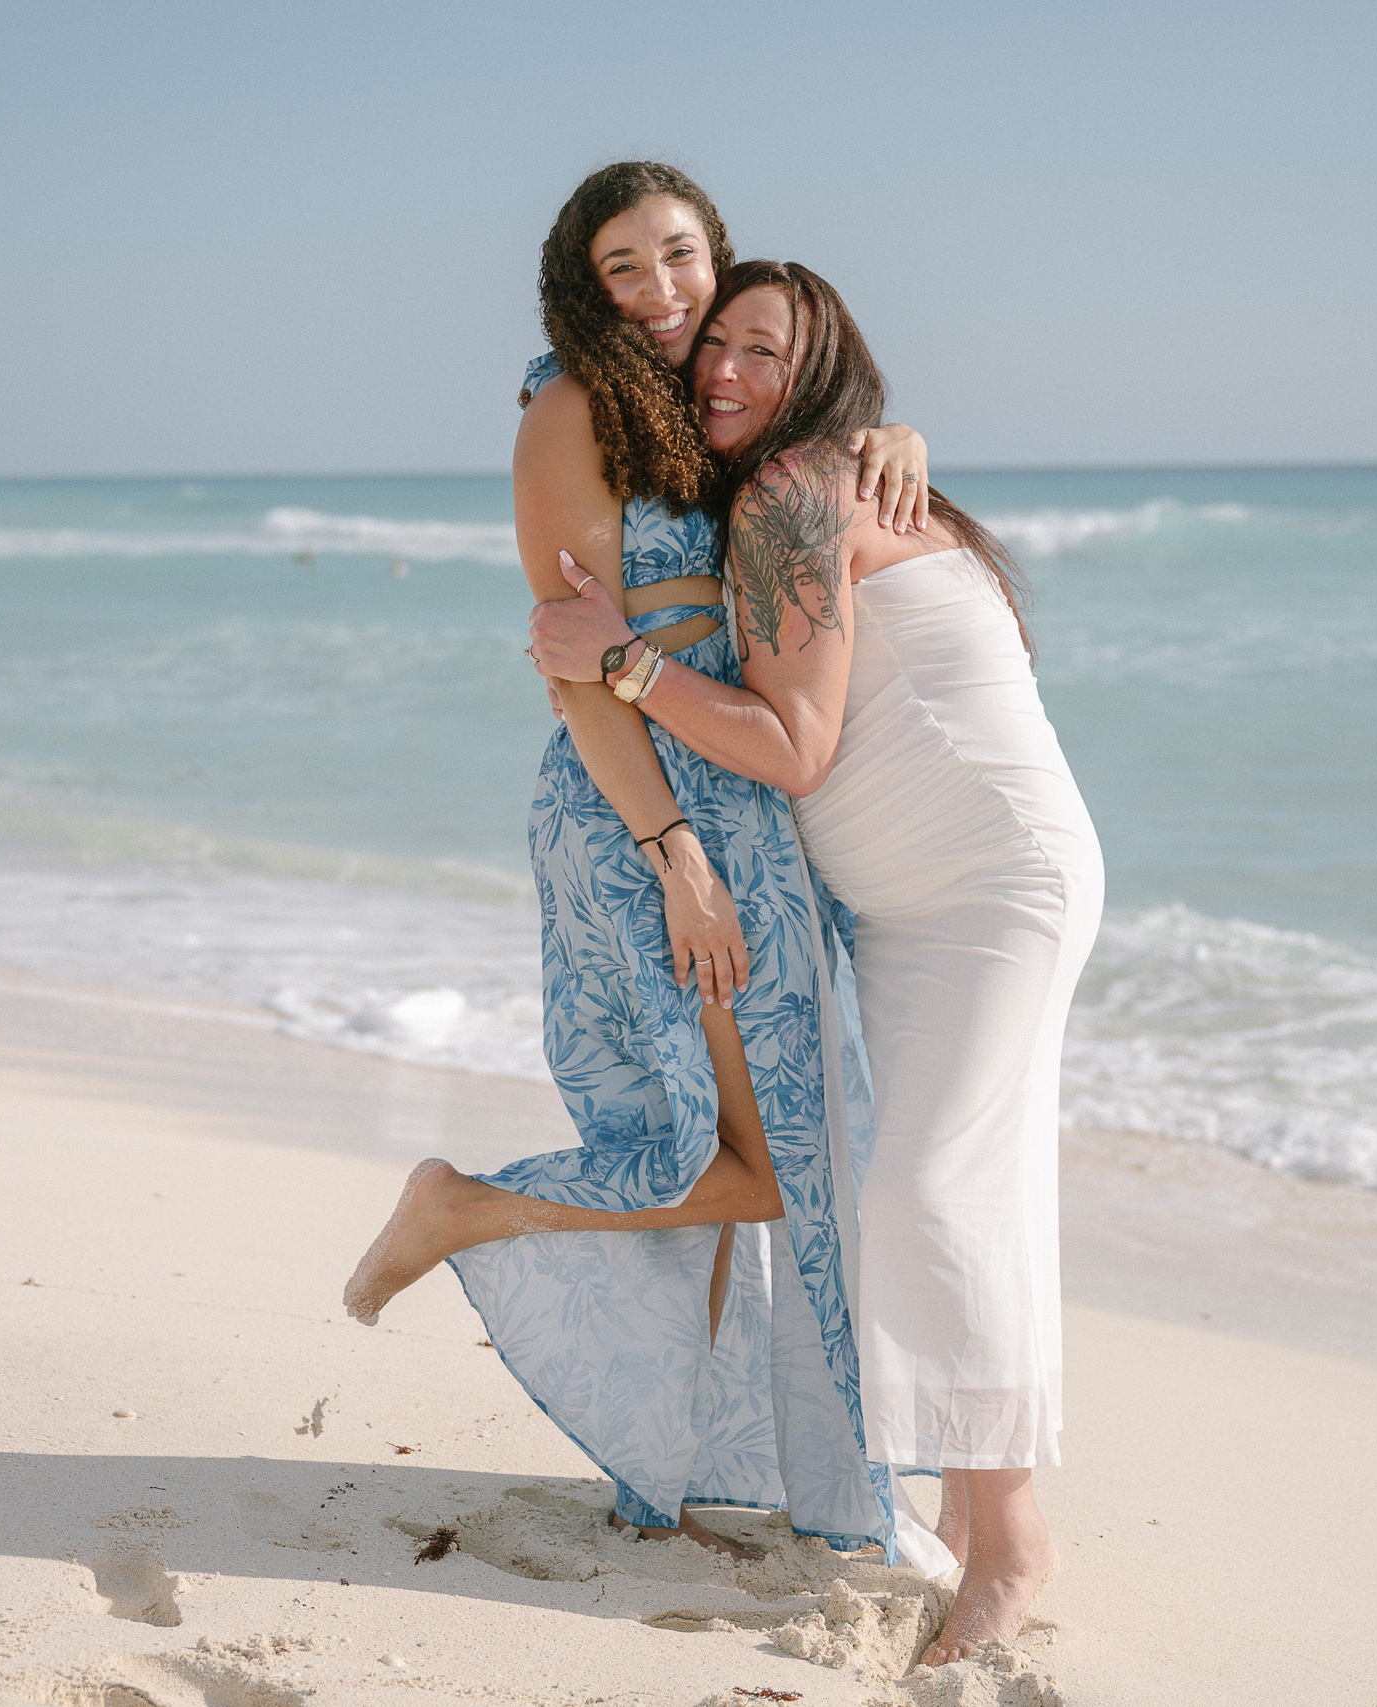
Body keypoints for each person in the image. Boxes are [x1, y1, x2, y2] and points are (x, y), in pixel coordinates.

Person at [341, 163, 949, 1570]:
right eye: (626, 267)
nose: (665, 290)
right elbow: (576, 668)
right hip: (644, 813)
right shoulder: (570, 411)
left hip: (742, 804)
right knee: (765, 1161)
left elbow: (806, 497)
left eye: (682, 255)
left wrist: (890, 433)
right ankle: (461, 1208)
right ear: (586, 288)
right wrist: (676, 857)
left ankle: (665, 1474)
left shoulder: (711, 406)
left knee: (745, 1148)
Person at [526, 260, 1103, 1666]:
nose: (724, 367)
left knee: (926, 1191)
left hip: (986, 881)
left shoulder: (796, 492)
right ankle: (968, 1507)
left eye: (765, 351)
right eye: (714, 343)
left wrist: (624, 663)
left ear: (820, 377)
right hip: (901, 908)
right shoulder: (805, 482)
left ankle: (1012, 1539)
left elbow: (797, 751)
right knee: (942, 1190)